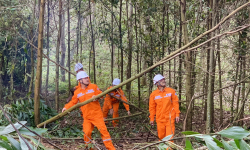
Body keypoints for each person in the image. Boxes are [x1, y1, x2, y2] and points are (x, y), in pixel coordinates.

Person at [62, 71, 116, 150]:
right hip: (87, 117)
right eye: (85, 78)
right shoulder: (77, 92)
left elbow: (101, 94)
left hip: (97, 115)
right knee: (86, 133)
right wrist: (66, 107)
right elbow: (73, 102)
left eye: (87, 77)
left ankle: (111, 148)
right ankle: (89, 148)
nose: (87, 79)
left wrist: (97, 96)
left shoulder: (93, 86)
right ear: (80, 80)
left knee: (104, 132)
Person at [149, 74, 180, 144]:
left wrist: (177, 114)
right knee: (161, 138)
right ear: (157, 83)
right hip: (160, 120)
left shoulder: (171, 91)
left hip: (170, 118)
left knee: (170, 138)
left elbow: (175, 103)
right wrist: (151, 118)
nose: (164, 81)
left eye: (163, 80)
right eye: (161, 80)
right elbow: (152, 107)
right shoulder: (153, 94)